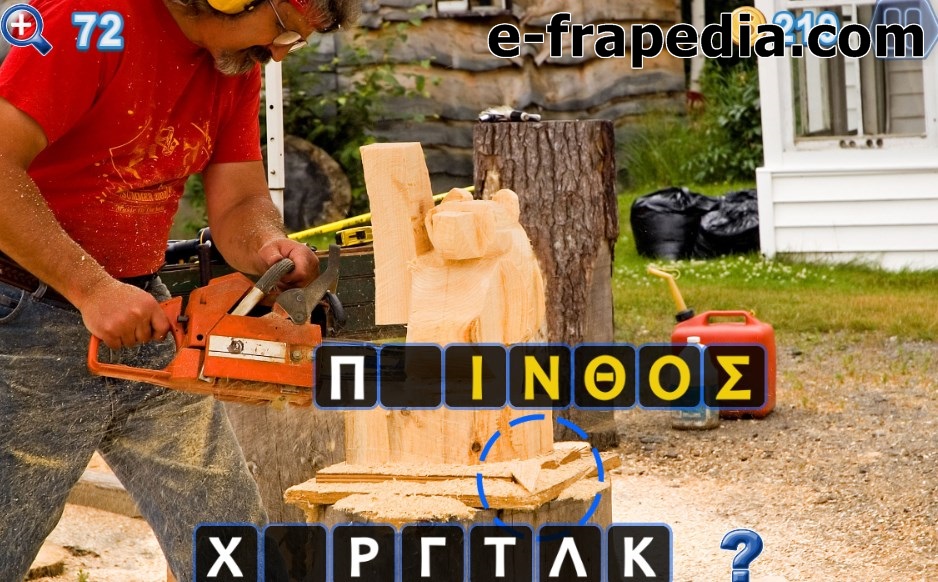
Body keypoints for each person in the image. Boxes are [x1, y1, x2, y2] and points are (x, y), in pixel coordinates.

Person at [0, 0, 359, 579]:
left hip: (151, 317)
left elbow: (241, 200)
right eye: (283, 29)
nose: (277, 53)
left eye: (295, 42)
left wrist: (267, 245)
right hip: (22, 318)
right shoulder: (91, 22)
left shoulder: (232, 62)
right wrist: (92, 288)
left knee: (230, 539)